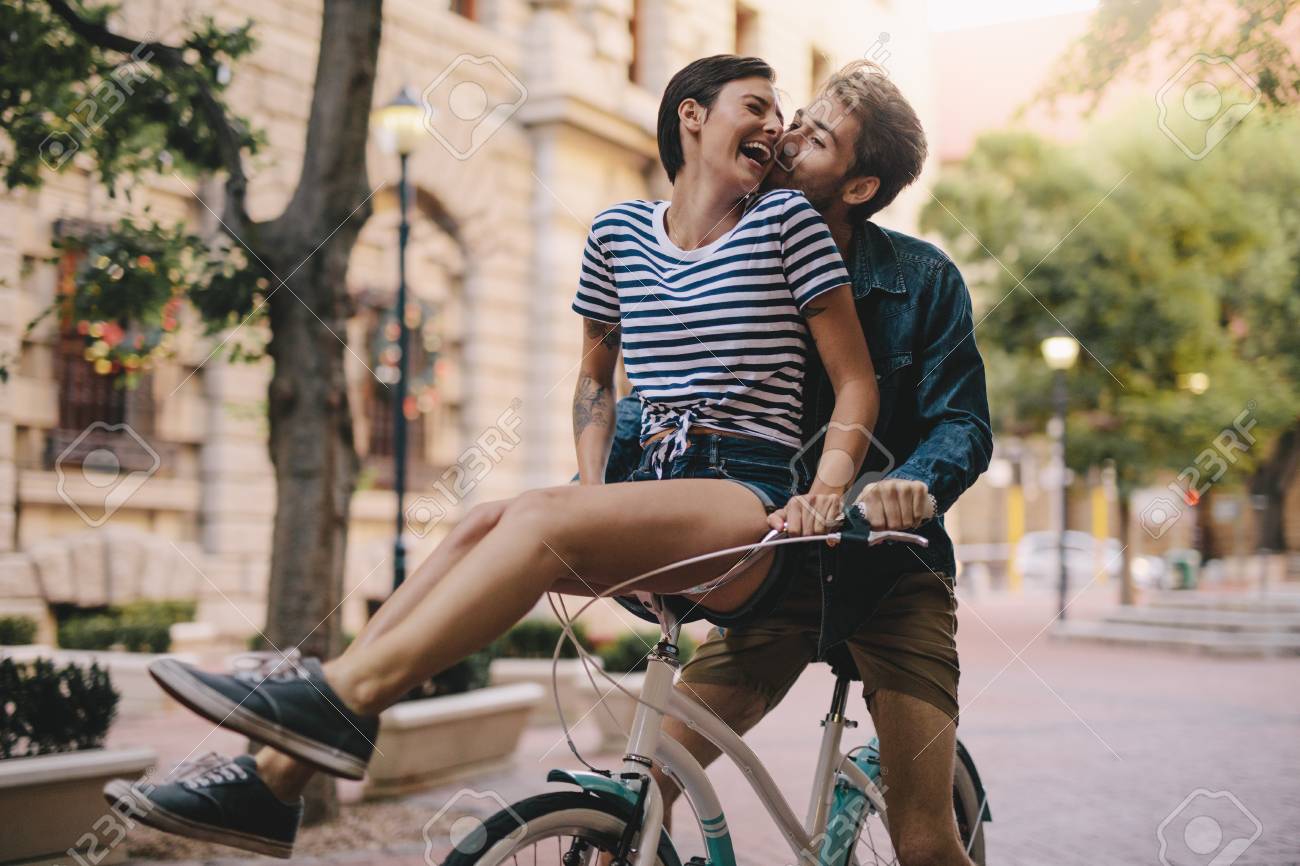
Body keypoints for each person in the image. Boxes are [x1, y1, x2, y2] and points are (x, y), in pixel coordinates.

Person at [103, 55, 878, 858]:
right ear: (691, 115)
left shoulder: (788, 227)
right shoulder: (617, 233)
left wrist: (825, 488)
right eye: (756, 105)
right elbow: (593, 382)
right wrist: (592, 488)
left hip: (746, 500)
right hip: (650, 487)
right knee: (481, 522)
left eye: (782, 114)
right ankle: (270, 786)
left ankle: (337, 695)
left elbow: (856, 383)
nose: (776, 125)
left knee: (536, 519)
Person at [651, 62, 993, 866]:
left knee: (924, 839)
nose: (788, 136)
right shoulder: (735, 260)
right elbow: (671, 397)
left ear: (860, 185)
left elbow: (963, 426)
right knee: (651, 769)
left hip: (889, 572)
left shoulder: (923, 279)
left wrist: (908, 486)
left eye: (818, 137)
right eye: (796, 118)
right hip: (776, 571)